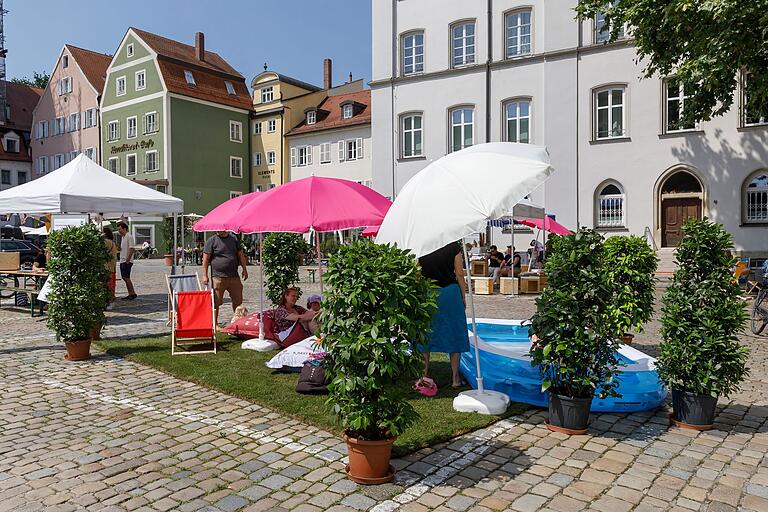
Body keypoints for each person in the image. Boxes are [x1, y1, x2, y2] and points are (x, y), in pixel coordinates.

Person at [419, 241, 471, 389]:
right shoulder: (453, 245)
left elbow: (417, 272)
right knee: (454, 333)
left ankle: (424, 375)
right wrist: (463, 296)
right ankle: (455, 379)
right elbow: (460, 274)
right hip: (450, 293)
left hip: (428, 292)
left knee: (426, 334)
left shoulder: (423, 242)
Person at [202, 230, 248, 325]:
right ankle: (214, 324)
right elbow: (205, 259)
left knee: (238, 301)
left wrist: (244, 269)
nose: (218, 230)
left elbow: (240, 255)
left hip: (234, 276)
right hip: (218, 277)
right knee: (216, 302)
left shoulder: (234, 239)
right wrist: (204, 275)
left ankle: (239, 322)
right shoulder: (211, 241)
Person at [116, 222, 137, 300]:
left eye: (120, 229)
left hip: (126, 260)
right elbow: (124, 249)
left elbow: (132, 248)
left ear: (124, 228)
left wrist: (128, 259)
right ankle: (131, 293)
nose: (119, 231)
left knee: (126, 277)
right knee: (125, 277)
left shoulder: (129, 236)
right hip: (122, 260)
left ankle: (132, 293)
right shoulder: (123, 237)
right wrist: (119, 248)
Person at [103, 227, 119, 305]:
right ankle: (111, 298)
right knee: (111, 284)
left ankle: (108, 301)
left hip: (106, 266)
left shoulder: (105, 242)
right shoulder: (113, 243)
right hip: (112, 266)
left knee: (106, 285)